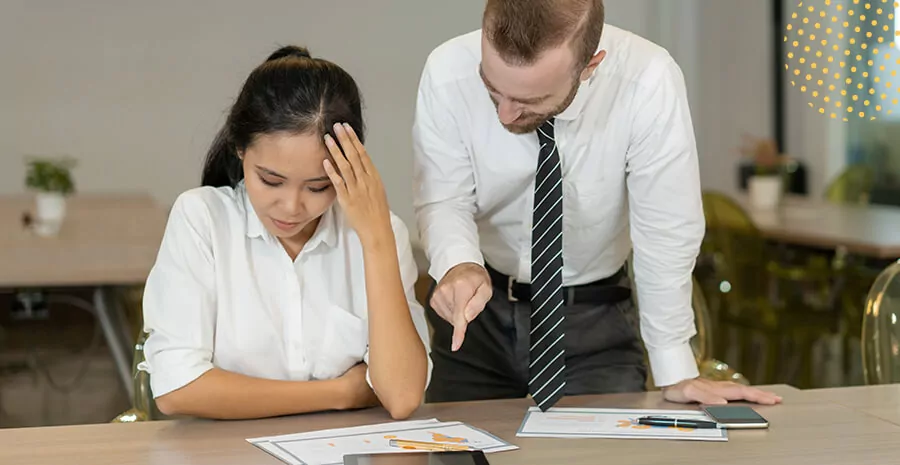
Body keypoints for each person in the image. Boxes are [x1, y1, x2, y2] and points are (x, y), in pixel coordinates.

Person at [412, 0, 781, 408]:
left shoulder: (648, 80)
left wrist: (675, 367)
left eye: (529, 100)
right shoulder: (447, 70)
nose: (504, 112)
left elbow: (666, 232)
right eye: (491, 88)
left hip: (596, 321)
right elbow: (444, 197)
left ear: (591, 66)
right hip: (478, 317)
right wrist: (457, 263)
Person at [139, 45, 431, 420]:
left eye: (317, 187)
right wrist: (340, 392)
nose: (292, 207)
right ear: (240, 148)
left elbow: (403, 396)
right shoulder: (202, 220)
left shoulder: (378, 233)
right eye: (271, 181)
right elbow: (178, 389)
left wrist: (376, 242)